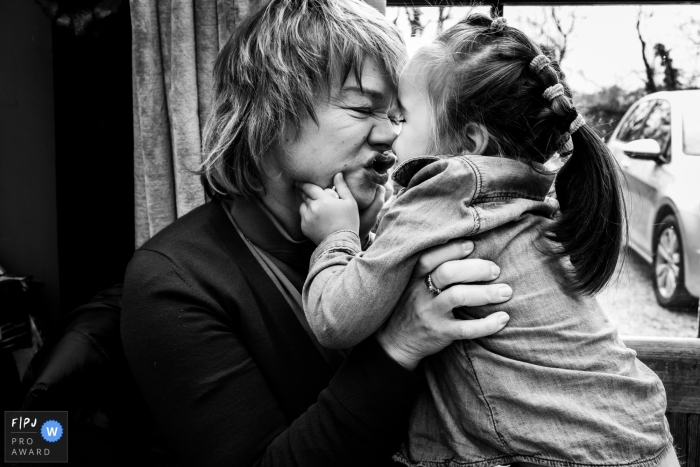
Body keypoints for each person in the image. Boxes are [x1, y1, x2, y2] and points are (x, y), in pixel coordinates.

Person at [120, 2, 513, 466]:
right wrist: (399, 345)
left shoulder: (402, 234)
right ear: (269, 111)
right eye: (363, 107)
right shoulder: (174, 283)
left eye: (396, 115)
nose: (390, 134)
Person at [298, 14, 678, 467]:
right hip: (628, 436)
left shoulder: (447, 188)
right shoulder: (519, 198)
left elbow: (335, 319)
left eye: (405, 115)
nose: (393, 132)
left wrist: (337, 236)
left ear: (469, 141)